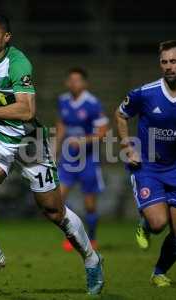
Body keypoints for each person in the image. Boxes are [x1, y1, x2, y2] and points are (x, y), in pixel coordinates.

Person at [0, 13, 104, 295]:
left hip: (31, 143)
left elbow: (27, 110)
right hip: (0, 139)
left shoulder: (19, 63)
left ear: (6, 38)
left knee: (54, 211)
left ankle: (91, 259)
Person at [115, 40, 176, 287]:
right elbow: (120, 114)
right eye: (164, 62)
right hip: (147, 166)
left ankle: (159, 271)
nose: (169, 66)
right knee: (159, 224)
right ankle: (146, 223)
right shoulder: (145, 93)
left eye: (174, 61)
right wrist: (128, 146)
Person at [55, 68, 109, 251]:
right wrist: (55, 148)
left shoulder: (93, 104)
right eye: (71, 80)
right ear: (66, 82)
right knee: (57, 199)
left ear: (84, 83)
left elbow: (103, 133)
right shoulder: (63, 101)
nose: (74, 83)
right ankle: (73, 235)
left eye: (77, 80)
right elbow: (61, 125)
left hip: (88, 161)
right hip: (68, 160)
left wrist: (83, 140)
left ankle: (92, 239)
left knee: (90, 205)